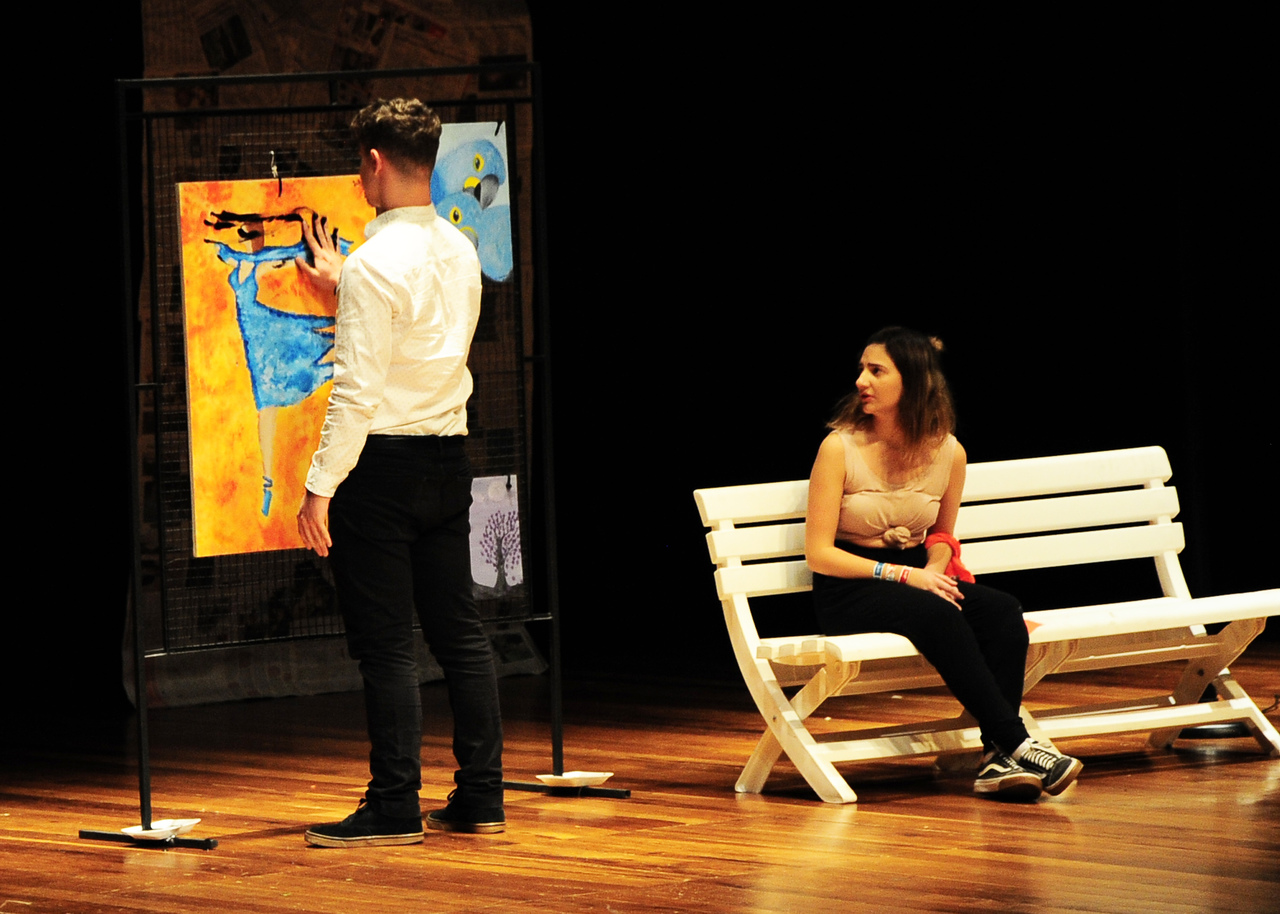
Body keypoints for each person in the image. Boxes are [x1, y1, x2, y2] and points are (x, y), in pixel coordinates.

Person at [295, 98, 504, 846]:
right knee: (460, 634)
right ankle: (482, 795)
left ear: (376, 162)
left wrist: (319, 487)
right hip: (448, 459)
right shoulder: (459, 250)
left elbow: (357, 390)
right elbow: (420, 337)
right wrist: (344, 284)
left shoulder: (374, 265)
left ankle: (392, 805)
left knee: (385, 644)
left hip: (381, 467)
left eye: (360, 163)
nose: (360, 176)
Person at [804, 326, 1082, 800]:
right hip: (850, 587)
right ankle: (1017, 743)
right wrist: (904, 574)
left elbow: (942, 536)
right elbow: (819, 553)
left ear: (912, 381)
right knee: (937, 612)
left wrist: (932, 568)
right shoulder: (839, 447)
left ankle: (995, 759)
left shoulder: (949, 451)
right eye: (862, 369)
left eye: (876, 371)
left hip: (917, 578)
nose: (861, 381)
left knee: (1001, 610)